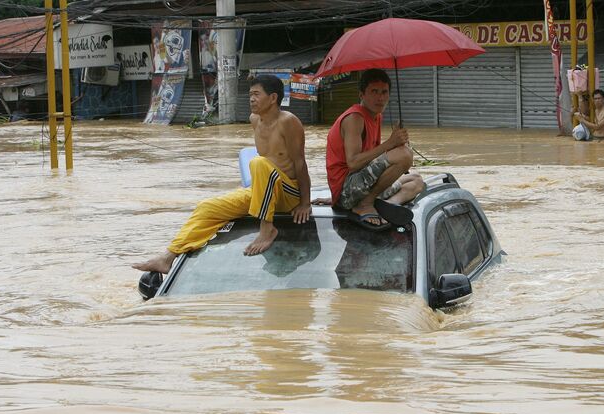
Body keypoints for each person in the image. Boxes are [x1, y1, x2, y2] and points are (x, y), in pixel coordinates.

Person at [133, 75, 312, 274]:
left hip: (288, 194)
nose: (251, 99)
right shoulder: (255, 120)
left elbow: (300, 163)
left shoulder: (288, 121)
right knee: (207, 207)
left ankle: (267, 228)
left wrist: (305, 202)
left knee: (259, 163)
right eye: (250, 95)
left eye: (256, 94)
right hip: (263, 192)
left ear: (272, 98)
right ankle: (167, 257)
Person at [326, 68, 425, 229]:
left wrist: (398, 142)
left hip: (362, 185)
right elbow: (353, 163)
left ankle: (387, 204)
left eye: (384, 92)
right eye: (374, 92)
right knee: (405, 155)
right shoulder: (355, 118)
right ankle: (366, 203)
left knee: (416, 180)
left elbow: (375, 159)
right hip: (347, 191)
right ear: (361, 95)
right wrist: (390, 144)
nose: (380, 98)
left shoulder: (376, 116)